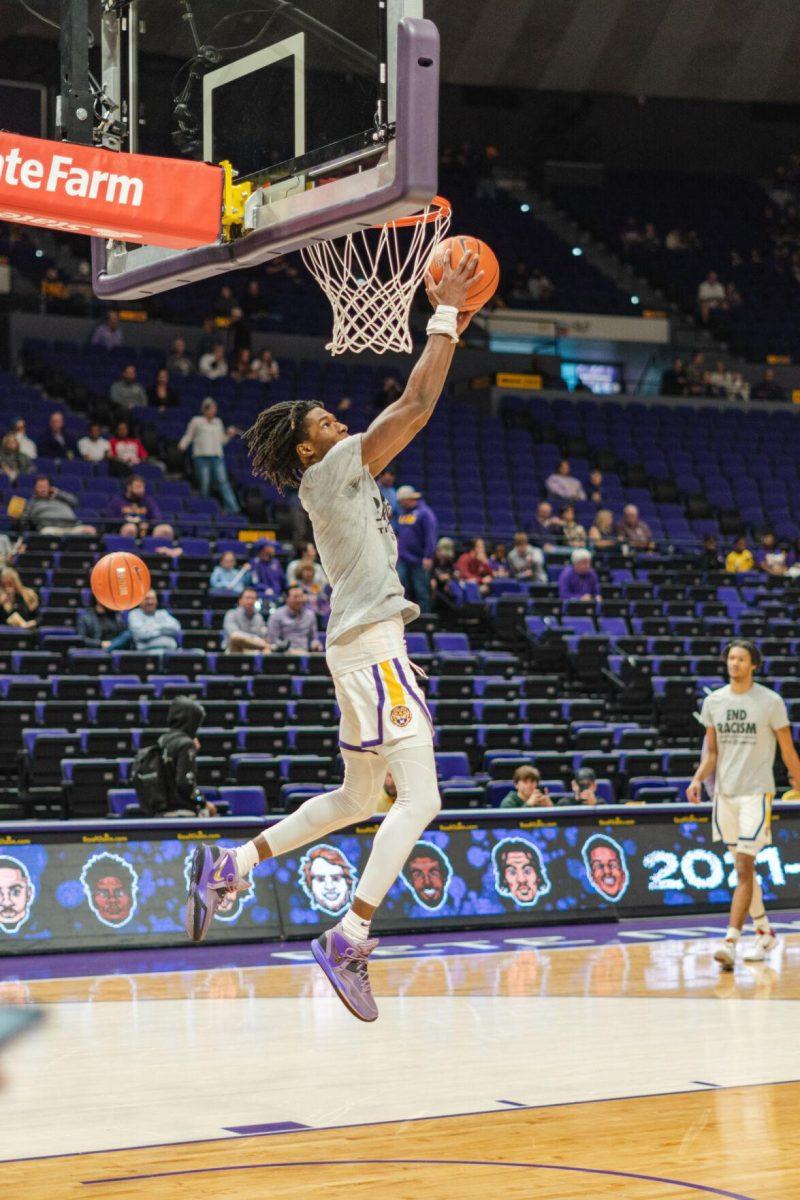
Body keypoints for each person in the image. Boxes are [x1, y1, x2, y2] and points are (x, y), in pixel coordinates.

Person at [185, 247, 481, 1022]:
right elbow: (415, 406)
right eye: (326, 422)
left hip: (355, 651)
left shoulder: (336, 474)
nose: (340, 422)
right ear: (311, 448)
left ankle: (232, 861)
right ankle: (350, 936)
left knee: (359, 797)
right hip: (375, 651)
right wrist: (445, 313)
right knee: (419, 799)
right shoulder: (335, 468)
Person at [688, 640, 800, 968]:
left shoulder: (770, 701)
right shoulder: (714, 701)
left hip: (756, 792)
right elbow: (712, 752)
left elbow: (787, 751)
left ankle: (731, 940)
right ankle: (764, 931)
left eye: (741, 659)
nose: (734, 664)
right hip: (725, 794)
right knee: (743, 870)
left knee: (742, 868)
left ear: (754, 665)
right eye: (731, 659)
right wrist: (697, 779)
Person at [178, 398, 240, 513]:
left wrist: (229, 435)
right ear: (204, 410)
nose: (212, 411)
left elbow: (222, 441)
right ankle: (205, 508)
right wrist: (182, 445)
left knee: (223, 482)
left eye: (214, 408)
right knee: (204, 483)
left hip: (217, 456)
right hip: (201, 456)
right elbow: (189, 435)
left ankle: (233, 508)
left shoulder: (218, 422)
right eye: (210, 408)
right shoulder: (196, 421)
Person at [395, 485, 437, 613]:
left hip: (419, 560)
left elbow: (431, 535)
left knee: (421, 590)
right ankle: (404, 621)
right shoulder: (402, 514)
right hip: (402, 559)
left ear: (409, 499)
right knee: (401, 590)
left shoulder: (424, 513)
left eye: (401, 501)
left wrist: (428, 556)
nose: (400, 504)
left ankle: (425, 620)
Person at [21, 476, 96, 536]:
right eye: (39, 487)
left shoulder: (60, 497)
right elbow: (25, 519)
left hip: (72, 527)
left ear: (50, 487)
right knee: (45, 533)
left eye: (44, 486)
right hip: (51, 529)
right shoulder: (32, 502)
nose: (42, 489)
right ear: (35, 488)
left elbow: (75, 502)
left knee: (91, 530)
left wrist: (59, 493)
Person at [266, 585, 322, 653]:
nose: (299, 600)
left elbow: (313, 638)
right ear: (287, 598)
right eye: (295, 597)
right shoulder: (276, 615)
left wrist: (316, 645)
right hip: (284, 655)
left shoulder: (310, 615)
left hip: (305, 654)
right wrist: (287, 649)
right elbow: (273, 640)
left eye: (301, 597)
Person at [222, 586, 271, 653]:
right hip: (235, 650)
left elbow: (263, 636)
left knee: (267, 649)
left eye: (253, 598)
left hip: (254, 649)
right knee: (235, 637)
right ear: (240, 600)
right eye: (248, 598)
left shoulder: (258, 617)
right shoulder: (231, 614)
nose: (250, 601)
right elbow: (234, 635)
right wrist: (255, 639)